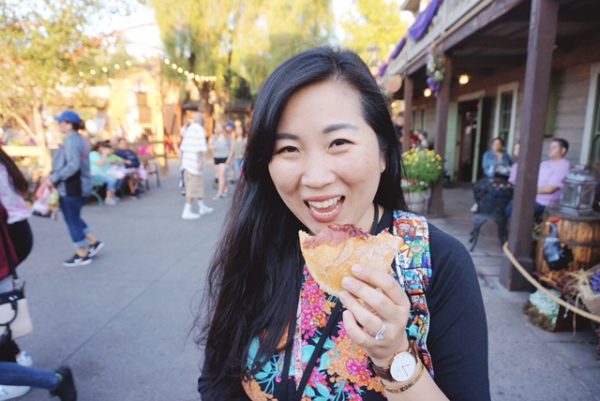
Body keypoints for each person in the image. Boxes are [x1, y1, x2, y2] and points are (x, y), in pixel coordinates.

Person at [197, 47, 489, 400]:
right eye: (288, 149)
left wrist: (393, 355)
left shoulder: (437, 263)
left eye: (338, 142)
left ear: (383, 152)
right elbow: (217, 380)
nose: (316, 178)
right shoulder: (261, 239)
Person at [0, 152, 77, 401]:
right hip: (13, 232)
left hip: (10, 235)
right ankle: (16, 356)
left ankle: (17, 364)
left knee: (2, 312)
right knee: (2, 314)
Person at [50, 110, 104, 267]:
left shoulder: (72, 141)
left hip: (72, 185)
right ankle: (93, 242)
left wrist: (55, 178)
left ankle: (82, 252)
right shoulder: (79, 139)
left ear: (69, 124)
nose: (59, 125)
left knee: (71, 219)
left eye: (61, 122)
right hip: (78, 184)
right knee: (74, 217)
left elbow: (73, 165)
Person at [506, 138, 571, 218]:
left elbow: (549, 189)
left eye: (553, 147)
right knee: (507, 200)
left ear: (563, 150)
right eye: (549, 147)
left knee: (513, 209)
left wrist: (527, 190)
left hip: (545, 203)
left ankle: (522, 229)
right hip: (533, 197)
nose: (550, 150)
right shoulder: (544, 163)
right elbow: (531, 176)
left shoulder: (563, 166)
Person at [180, 111, 213, 219]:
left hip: (186, 163)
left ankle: (202, 206)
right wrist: (199, 161)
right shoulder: (199, 129)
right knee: (193, 188)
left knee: (195, 186)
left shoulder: (188, 129)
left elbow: (182, 139)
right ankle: (187, 211)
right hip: (194, 164)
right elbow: (199, 147)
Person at [89, 141, 121, 205]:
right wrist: (104, 154)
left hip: (103, 173)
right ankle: (108, 199)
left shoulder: (101, 155)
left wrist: (114, 162)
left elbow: (106, 164)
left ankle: (112, 196)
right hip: (95, 175)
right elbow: (100, 164)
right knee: (112, 179)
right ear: (100, 148)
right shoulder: (93, 154)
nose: (107, 150)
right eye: (105, 148)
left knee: (118, 177)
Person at [210, 123, 232, 199]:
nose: (218, 129)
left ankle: (220, 193)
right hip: (216, 158)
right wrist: (212, 148)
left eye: (219, 127)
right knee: (219, 176)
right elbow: (211, 147)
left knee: (221, 176)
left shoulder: (227, 137)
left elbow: (232, 150)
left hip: (224, 158)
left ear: (222, 128)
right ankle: (225, 188)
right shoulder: (214, 137)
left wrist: (229, 160)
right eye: (217, 127)